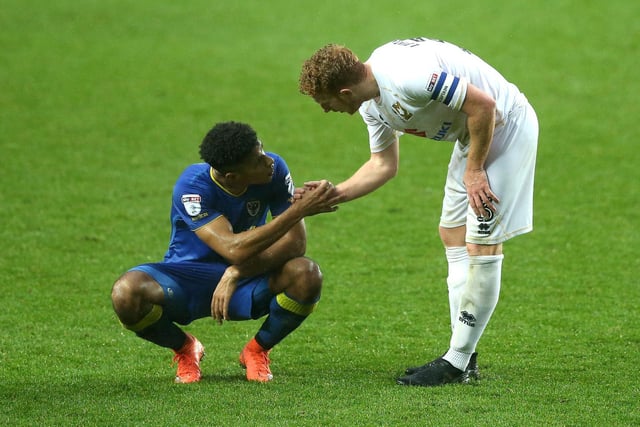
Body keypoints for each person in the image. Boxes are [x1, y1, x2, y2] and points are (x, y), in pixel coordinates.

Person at [299, 37, 538, 386]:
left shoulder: (406, 76)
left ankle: (455, 362)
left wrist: (474, 171)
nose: (325, 109)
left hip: (505, 128)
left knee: (482, 243)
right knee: (452, 233)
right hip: (473, 137)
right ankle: (464, 354)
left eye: (325, 102)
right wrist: (330, 195)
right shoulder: (371, 105)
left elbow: (484, 106)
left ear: (345, 92)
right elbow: (382, 165)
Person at [111, 121, 337, 383]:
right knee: (126, 293)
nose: (268, 162)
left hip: (247, 276)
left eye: (262, 151)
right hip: (187, 278)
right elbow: (232, 248)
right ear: (232, 177)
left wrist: (237, 272)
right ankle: (185, 348)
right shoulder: (192, 188)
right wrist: (298, 211)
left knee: (307, 274)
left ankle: (256, 350)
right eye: (257, 161)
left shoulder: (274, 170)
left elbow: (296, 244)